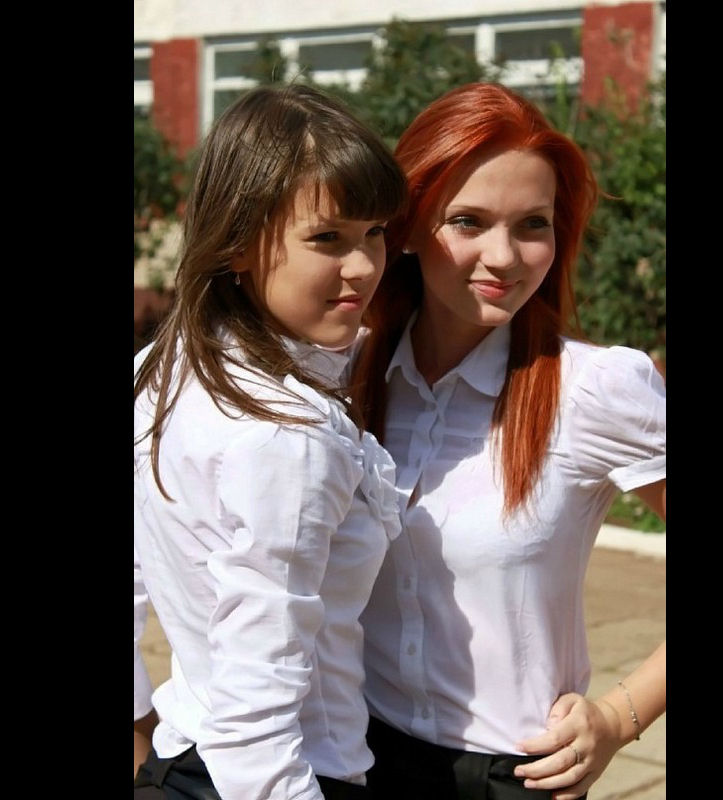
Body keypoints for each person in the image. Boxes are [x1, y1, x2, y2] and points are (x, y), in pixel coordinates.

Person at [349, 82, 666, 800]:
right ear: (407, 226)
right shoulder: (350, 373)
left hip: (509, 775)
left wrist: (617, 718)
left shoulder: (596, 389)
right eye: (468, 220)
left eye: (532, 224)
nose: (505, 256)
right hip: (351, 756)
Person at [133, 83, 407, 800]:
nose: (364, 266)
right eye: (327, 238)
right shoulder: (288, 438)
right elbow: (256, 721)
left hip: (182, 758)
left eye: (375, 232)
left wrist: (141, 736)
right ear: (237, 242)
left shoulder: (160, 371)